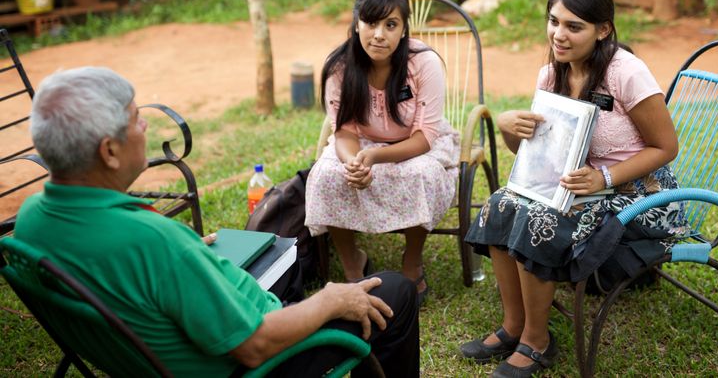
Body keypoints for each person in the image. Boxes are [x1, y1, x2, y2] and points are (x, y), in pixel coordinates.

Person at [13, 67, 419, 377]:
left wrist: (191, 256)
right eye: (135, 118)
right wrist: (330, 300)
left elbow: (122, 271)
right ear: (110, 152)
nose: (145, 125)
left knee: (278, 256)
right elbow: (254, 346)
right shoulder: (154, 242)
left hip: (164, 347)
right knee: (395, 292)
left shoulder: (31, 219)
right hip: (256, 363)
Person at [459, 0, 688, 377]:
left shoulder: (626, 73)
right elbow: (537, 153)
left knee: (538, 220)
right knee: (500, 205)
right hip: (576, 185)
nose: (558, 35)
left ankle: (537, 340)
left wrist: (604, 178)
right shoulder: (552, 74)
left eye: (573, 26)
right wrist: (511, 128)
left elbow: (666, 148)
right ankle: (513, 327)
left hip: (641, 193)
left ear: (603, 30)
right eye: (553, 21)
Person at [305, 0, 460, 302]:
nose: (379, 34)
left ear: (404, 30)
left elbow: (424, 138)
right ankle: (353, 268)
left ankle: (412, 262)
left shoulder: (424, 63)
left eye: (390, 25)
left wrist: (374, 159)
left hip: (416, 144)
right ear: (356, 25)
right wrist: (353, 162)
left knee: (422, 174)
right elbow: (344, 131)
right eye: (371, 23)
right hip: (360, 142)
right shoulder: (340, 68)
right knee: (327, 174)